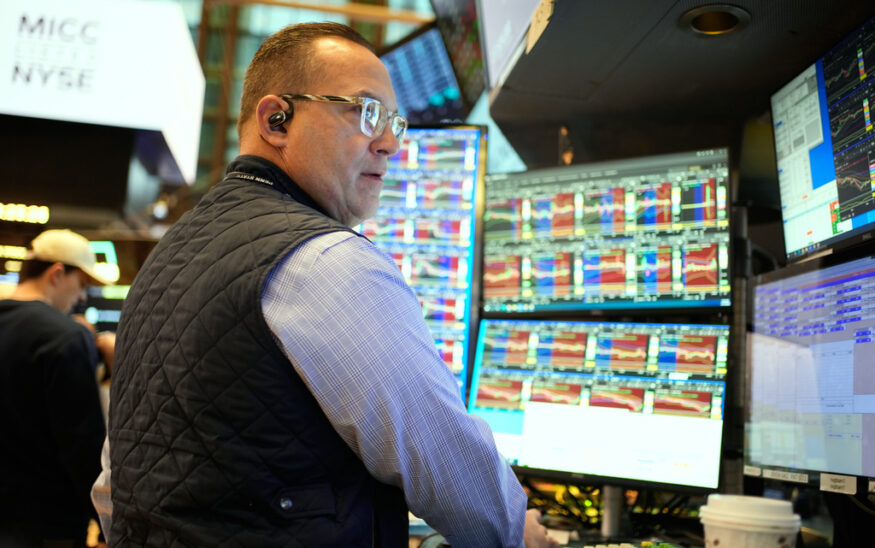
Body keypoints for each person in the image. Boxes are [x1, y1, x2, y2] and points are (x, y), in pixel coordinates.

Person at [105, 22, 557, 547]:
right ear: (277, 120)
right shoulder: (328, 261)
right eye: (366, 112)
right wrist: (524, 533)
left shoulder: (167, 258)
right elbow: (460, 483)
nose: (390, 144)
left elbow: (114, 486)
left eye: (394, 123)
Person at [0, 228, 114, 547]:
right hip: (47, 527)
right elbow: (82, 446)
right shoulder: (65, 337)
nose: (82, 297)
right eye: (82, 284)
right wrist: (108, 525)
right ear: (57, 273)